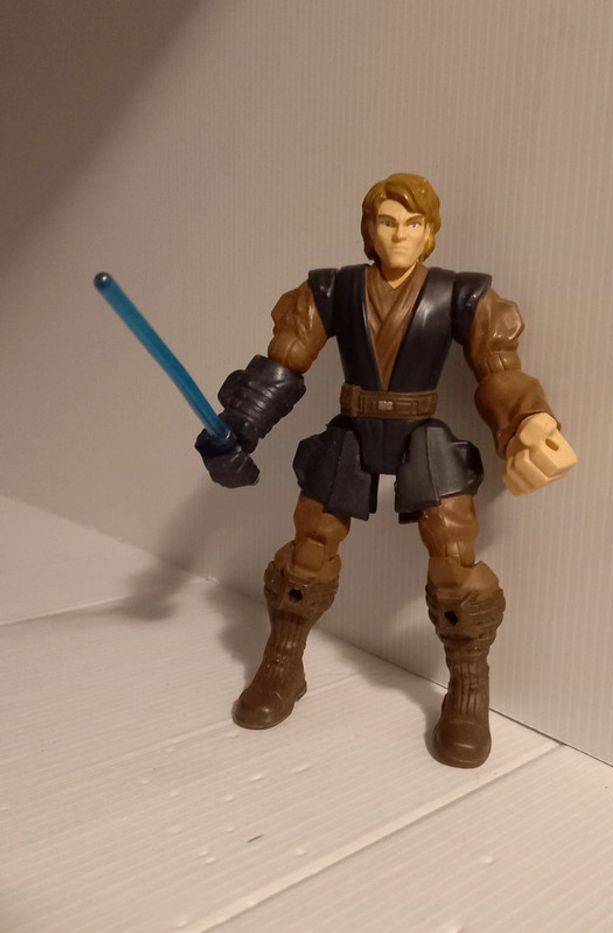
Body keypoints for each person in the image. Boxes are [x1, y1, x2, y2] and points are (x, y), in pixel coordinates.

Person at [196, 173, 576, 768]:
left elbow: (499, 368)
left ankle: (468, 688)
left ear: (429, 233)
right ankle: (283, 663)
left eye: (413, 224)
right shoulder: (333, 290)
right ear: (369, 230)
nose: (400, 235)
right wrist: (240, 427)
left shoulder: (460, 295)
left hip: (422, 432)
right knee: (309, 547)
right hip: (352, 430)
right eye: (387, 222)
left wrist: (529, 422)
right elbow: (284, 363)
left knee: (454, 557)